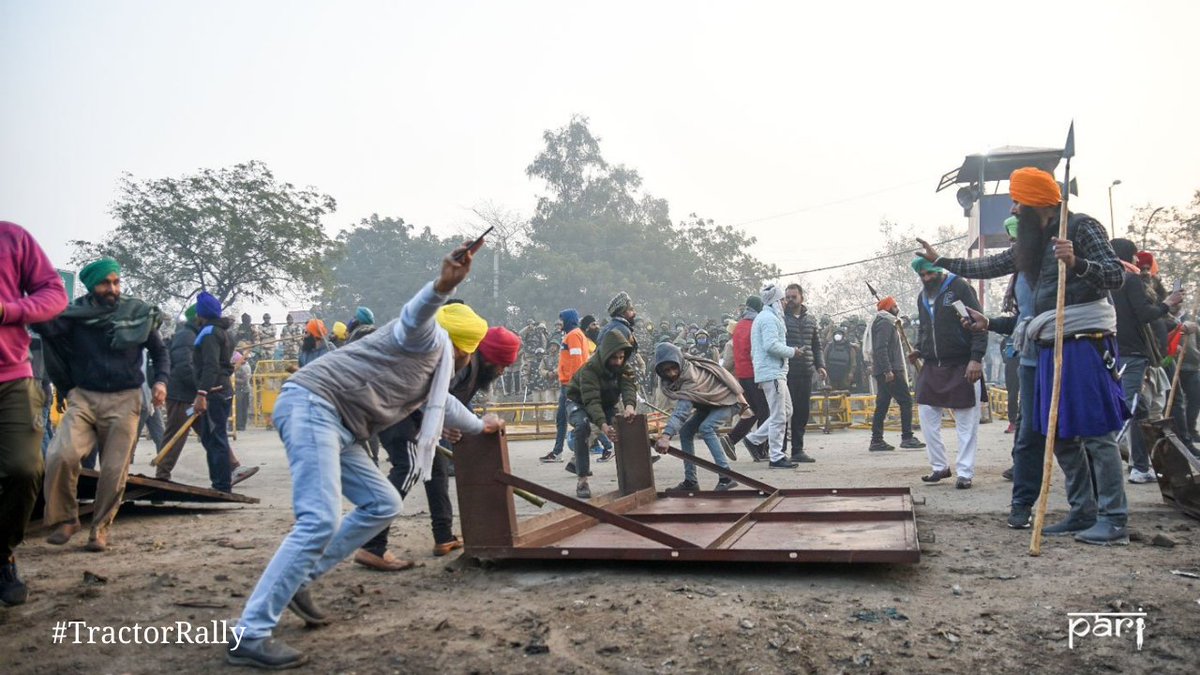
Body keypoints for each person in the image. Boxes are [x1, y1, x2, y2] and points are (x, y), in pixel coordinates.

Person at [226, 242, 503, 668]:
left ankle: (300, 579)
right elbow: (416, 315)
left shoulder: (438, 371)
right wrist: (442, 286)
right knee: (318, 518)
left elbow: (444, 406)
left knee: (383, 502)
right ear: (465, 348)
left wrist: (482, 425)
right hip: (312, 405)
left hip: (344, 427)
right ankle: (249, 632)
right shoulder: (425, 339)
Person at [924, 166, 1129, 544]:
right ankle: (1083, 513)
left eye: (1018, 202)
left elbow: (1116, 276)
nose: (1014, 210)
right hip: (1049, 344)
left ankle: (1114, 519)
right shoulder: (1032, 243)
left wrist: (1077, 263)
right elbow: (989, 265)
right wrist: (943, 262)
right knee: (1061, 435)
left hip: (1085, 340)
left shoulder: (1081, 228)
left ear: (1037, 202)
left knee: (1097, 433)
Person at [356, 315, 521, 570]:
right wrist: (453, 424)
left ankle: (443, 536)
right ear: (488, 357)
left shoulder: (472, 368)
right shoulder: (463, 364)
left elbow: (449, 402)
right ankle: (372, 545)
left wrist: (448, 425)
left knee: (435, 467)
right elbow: (434, 396)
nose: (502, 372)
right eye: (502, 365)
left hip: (414, 414)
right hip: (397, 412)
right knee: (407, 468)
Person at [35, 258, 168, 552]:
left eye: (116, 282)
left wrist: (160, 382)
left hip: (126, 399)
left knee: (113, 470)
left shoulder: (136, 313)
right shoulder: (73, 316)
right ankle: (66, 519)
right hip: (84, 397)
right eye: (105, 283)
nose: (112, 288)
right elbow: (42, 324)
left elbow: (160, 353)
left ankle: (100, 529)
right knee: (60, 455)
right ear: (91, 286)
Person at [0, 222, 68, 606]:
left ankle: (2, 554)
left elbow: (53, 293)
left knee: (26, 470)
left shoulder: (12, 238)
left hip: (11, 377)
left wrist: (9, 310)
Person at [1109, 238, 1183, 483]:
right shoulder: (1130, 280)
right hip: (1132, 354)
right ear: (1129, 258)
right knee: (1129, 405)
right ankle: (1105, 457)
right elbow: (1145, 314)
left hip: (1113, 352)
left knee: (1139, 411)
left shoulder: (1105, 280)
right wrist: (1167, 304)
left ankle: (1141, 466)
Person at [909, 258, 987, 488]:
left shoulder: (960, 288)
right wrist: (919, 349)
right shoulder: (922, 297)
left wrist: (976, 359)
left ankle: (965, 472)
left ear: (940, 271)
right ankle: (939, 467)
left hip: (963, 364)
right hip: (933, 365)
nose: (926, 279)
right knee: (926, 413)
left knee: (966, 421)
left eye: (930, 274)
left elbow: (978, 326)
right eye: (922, 275)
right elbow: (924, 329)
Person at [653, 342, 747, 491]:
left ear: (679, 362)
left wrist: (666, 436)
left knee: (707, 428)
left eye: (674, 368)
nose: (671, 374)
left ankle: (726, 476)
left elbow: (681, 413)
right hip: (708, 404)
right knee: (685, 432)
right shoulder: (671, 379)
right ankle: (691, 481)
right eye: (667, 371)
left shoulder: (690, 377)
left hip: (727, 401)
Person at [564, 328, 639, 499]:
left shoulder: (624, 367)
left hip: (607, 403)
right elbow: (591, 401)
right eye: (614, 357)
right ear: (606, 354)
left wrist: (629, 406)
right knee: (583, 427)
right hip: (579, 402)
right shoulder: (589, 369)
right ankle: (582, 480)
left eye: (621, 357)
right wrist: (603, 425)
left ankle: (631, 479)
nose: (618, 362)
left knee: (627, 423)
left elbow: (628, 387)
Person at [743, 284, 799, 469]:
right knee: (778, 415)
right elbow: (771, 346)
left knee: (786, 411)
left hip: (774, 372)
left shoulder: (766, 317)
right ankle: (776, 456)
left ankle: (754, 439)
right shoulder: (768, 319)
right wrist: (793, 351)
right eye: (782, 299)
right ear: (776, 301)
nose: (784, 303)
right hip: (772, 372)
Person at [866, 297, 924, 452]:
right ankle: (907, 437)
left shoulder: (885, 322)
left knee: (883, 404)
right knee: (905, 401)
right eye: (895, 306)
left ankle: (876, 440)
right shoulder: (885, 323)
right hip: (890, 370)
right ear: (889, 308)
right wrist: (888, 370)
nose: (897, 308)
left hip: (887, 369)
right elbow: (881, 348)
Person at [781, 284, 824, 463]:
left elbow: (817, 345)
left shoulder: (811, 320)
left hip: (806, 372)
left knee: (802, 412)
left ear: (802, 298)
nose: (790, 300)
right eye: (787, 297)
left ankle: (797, 450)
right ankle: (779, 452)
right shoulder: (781, 319)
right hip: (786, 372)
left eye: (793, 297)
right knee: (783, 413)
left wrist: (820, 365)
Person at [540, 309, 586, 464]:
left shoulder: (573, 335)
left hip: (570, 384)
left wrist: (574, 383)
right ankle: (557, 451)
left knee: (572, 419)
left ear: (568, 320)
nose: (559, 323)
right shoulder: (574, 334)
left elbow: (576, 360)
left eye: (561, 320)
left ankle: (559, 452)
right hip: (569, 383)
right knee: (564, 418)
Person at [726, 296, 769, 460]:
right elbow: (755, 352)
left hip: (743, 375)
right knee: (765, 411)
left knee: (753, 412)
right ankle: (760, 447)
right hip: (755, 374)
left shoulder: (739, 326)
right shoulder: (755, 325)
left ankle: (731, 439)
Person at [233, 352, 251, 432]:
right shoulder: (235, 369)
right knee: (237, 409)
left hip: (243, 391)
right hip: (238, 390)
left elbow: (244, 380)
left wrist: (234, 380)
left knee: (241, 409)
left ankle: (241, 425)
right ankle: (235, 425)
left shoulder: (243, 368)